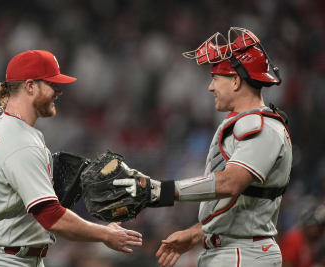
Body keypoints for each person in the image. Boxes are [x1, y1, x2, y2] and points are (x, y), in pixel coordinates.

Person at [114, 27, 292, 267]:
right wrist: (200, 232)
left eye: (216, 78)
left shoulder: (261, 127)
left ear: (236, 81)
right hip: (233, 250)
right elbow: (241, 201)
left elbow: (230, 183)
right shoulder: (247, 124)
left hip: (243, 254)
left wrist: (160, 190)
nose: (210, 87)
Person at [0, 50, 142, 267]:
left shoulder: (0, 128)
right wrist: (105, 234)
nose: (59, 91)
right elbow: (51, 216)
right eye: (51, 84)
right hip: (3, 260)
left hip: (8, 256)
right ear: (30, 86)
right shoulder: (20, 142)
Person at [280, 201, 325, 267]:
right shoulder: (294, 239)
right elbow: (285, 264)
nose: (319, 230)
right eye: (318, 226)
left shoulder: (311, 242)